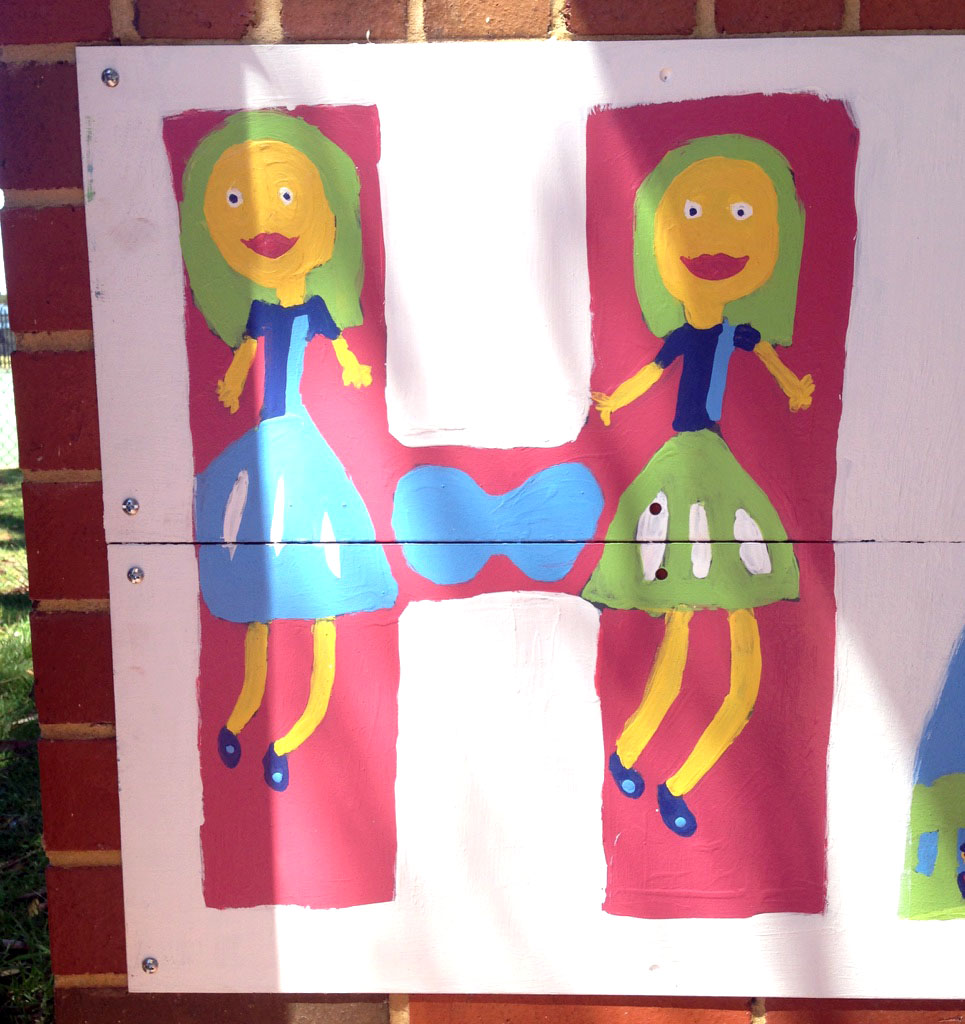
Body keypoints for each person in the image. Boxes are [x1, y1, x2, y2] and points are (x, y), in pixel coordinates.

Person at [584, 134, 812, 837]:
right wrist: (615, 403)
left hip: (715, 472)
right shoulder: (685, 333)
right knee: (679, 635)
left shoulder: (737, 329)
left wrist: (792, 385)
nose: (714, 238)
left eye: (740, 216)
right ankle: (629, 753)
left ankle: (674, 783)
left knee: (741, 668)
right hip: (686, 469)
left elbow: (769, 359)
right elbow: (652, 374)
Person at [179, 111, 397, 792]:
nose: (266, 219)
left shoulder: (315, 309)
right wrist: (230, 381)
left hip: (297, 437)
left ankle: (288, 735)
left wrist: (355, 368)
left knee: (321, 586)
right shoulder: (258, 312)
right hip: (271, 439)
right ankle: (244, 716)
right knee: (260, 590)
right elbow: (245, 360)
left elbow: (340, 350)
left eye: (284, 196)